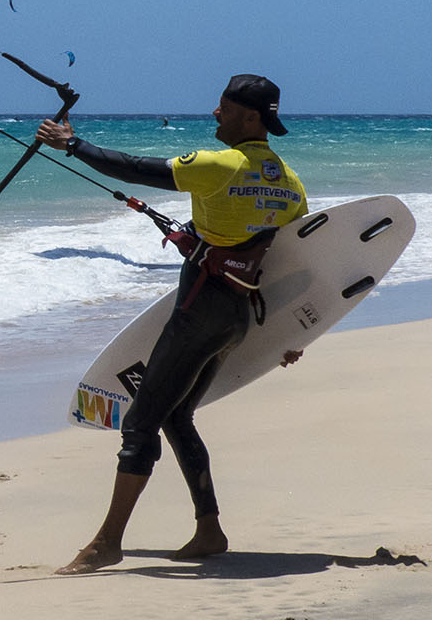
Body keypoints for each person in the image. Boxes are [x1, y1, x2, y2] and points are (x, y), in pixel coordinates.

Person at [36, 75, 308, 573]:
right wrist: (294, 335)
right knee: (176, 417)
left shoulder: (217, 164)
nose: (214, 115)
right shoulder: (287, 179)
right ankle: (209, 530)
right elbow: (291, 260)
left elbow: (137, 169)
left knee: (140, 424)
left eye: (223, 109)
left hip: (199, 313)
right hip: (238, 317)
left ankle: (107, 544)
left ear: (250, 117)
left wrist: (71, 144)